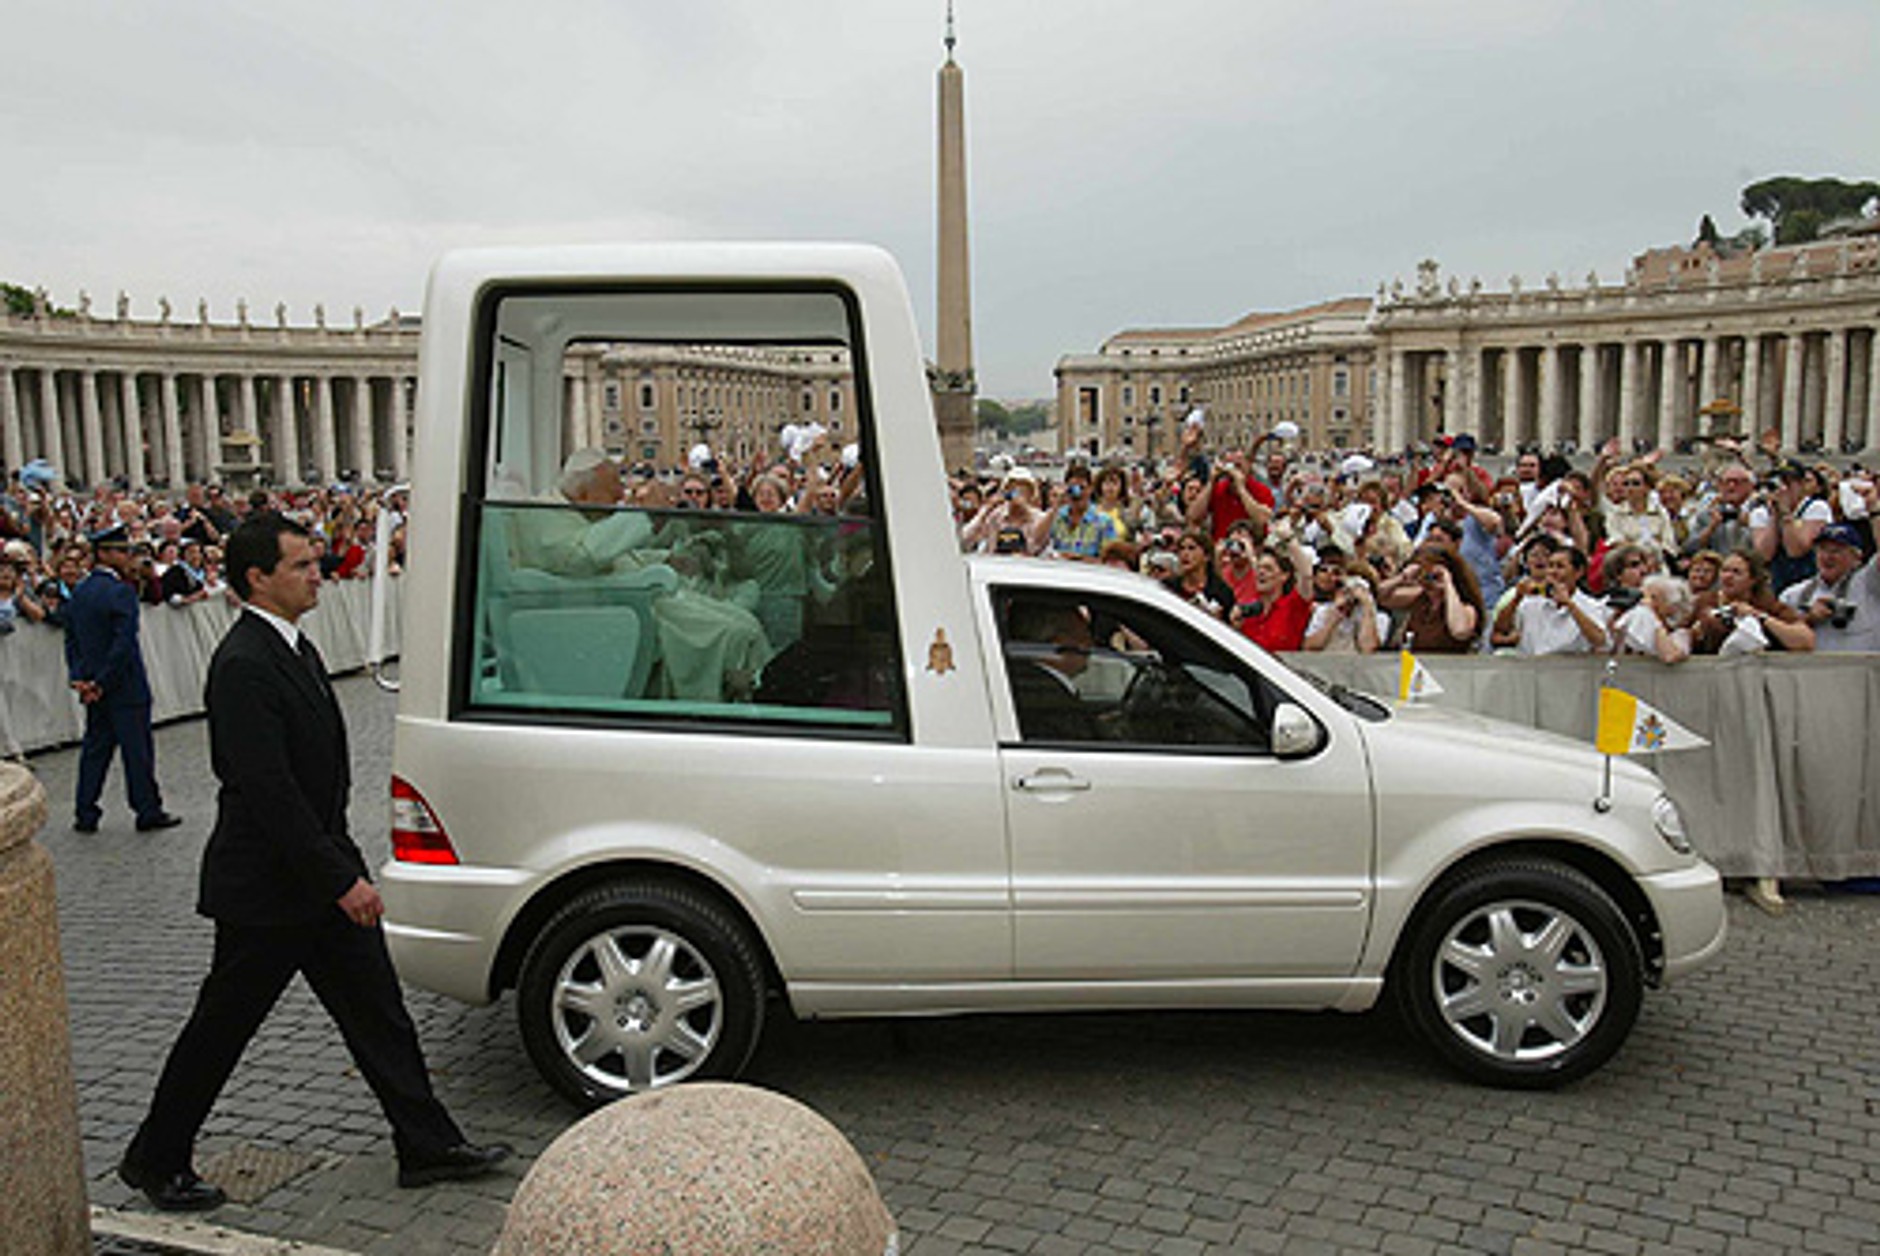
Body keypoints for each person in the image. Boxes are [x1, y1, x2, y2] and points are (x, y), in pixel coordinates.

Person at [118, 514, 510, 1213]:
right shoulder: (242, 663)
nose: (316, 574)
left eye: (315, 562)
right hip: (269, 891)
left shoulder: (292, 648)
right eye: (300, 565)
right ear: (256, 579)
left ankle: (425, 1144)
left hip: (317, 875)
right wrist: (342, 880)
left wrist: (338, 869)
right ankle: (156, 1157)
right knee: (220, 1030)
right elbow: (269, 794)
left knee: (379, 1014)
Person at [63, 525, 180, 834]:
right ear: (104, 554)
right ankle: (146, 809)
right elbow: (123, 644)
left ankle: (85, 811)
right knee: (136, 751)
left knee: (95, 751)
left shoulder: (80, 592)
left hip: (93, 686)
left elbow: (71, 640)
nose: (128, 557)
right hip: (123, 684)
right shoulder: (120, 592)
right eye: (122, 551)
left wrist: (81, 678)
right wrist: (102, 680)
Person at [1778, 522, 1879, 653]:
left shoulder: (1869, 583)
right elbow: (1775, 635)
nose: (1827, 557)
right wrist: (1808, 618)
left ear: (1857, 557)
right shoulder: (1794, 594)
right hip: (1812, 671)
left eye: (1836, 551)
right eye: (1822, 549)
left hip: (1866, 671)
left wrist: (1875, 512)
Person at [1492, 545, 1609, 655]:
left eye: (1560, 566)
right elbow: (1501, 629)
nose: (1553, 572)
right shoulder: (1530, 601)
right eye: (1550, 566)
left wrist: (1570, 605)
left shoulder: (1590, 605)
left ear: (1578, 572)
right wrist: (1516, 599)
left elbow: (1600, 641)